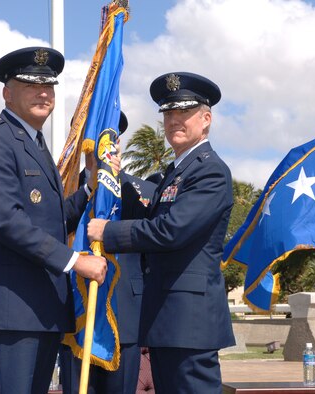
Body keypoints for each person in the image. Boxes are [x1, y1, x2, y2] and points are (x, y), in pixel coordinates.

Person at [0, 46, 109, 394]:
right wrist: (75, 261)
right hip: (12, 308)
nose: (43, 93)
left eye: (49, 86)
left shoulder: (36, 144)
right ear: (7, 92)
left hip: (42, 307)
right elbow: (6, 221)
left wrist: (88, 189)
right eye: (30, 85)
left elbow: (51, 221)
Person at [88, 72, 236, 393]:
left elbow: (170, 231)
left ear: (206, 118)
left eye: (184, 112)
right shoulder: (174, 173)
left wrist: (108, 232)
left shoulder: (209, 170)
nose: (174, 121)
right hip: (166, 320)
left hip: (190, 322)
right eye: (169, 113)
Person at [60, 112, 157, 394]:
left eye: (110, 139)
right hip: (75, 316)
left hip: (123, 317)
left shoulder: (143, 191)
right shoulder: (62, 189)